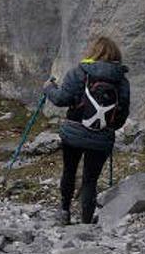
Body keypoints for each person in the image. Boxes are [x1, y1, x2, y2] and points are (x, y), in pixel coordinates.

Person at [43, 36, 131, 225]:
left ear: (93, 52)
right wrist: (108, 128)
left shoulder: (79, 72)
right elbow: (122, 116)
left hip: (73, 132)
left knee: (69, 171)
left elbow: (61, 99)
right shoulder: (121, 81)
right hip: (101, 138)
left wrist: (48, 88)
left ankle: (64, 211)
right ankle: (85, 222)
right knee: (90, 180)